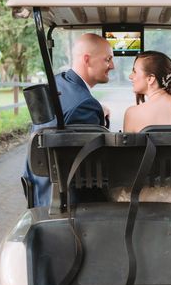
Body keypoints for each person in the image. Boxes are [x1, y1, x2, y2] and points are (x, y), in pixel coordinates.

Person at [24, 33, 115, 207]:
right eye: (108, 59)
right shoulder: (85, 105)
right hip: (69, 202)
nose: (113, 65)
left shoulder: (58, 83)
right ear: (87, 59)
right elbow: (91, 171)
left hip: (38, 190)